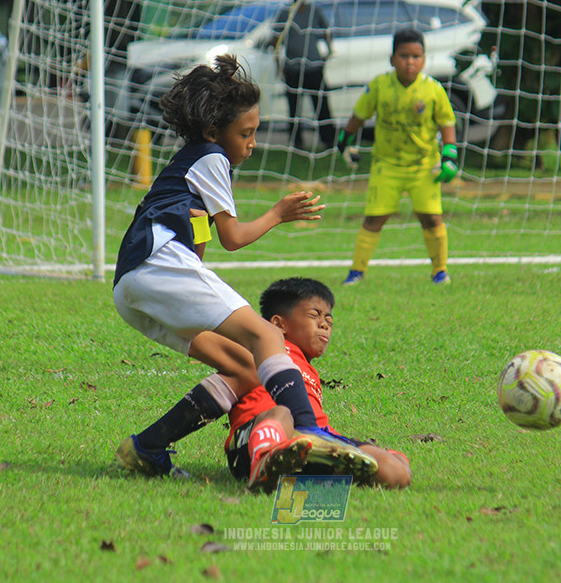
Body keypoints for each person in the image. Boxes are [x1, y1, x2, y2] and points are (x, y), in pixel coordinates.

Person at [112, 55, 365, 477]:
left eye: (255, 132)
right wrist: (278, 213)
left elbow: (201, 237)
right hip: (158, 265)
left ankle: (147, 447)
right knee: (266, 334)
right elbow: (234, 238)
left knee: (245, 366)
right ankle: (308, 431)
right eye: (245, 133)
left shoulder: (189, 162)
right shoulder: (212, 157)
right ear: (214, 132)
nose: (251, 143)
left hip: (131, 286)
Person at [224, 277, 412, 492]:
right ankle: (266, 462)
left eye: (329, 320)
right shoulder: (259, 350)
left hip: (315, 441)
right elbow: (216, 389)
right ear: (278, 324)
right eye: (314, 315)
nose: (324, 324)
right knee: (281, 414)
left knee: (395, 473)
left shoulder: (309, 369)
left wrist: (382, 453)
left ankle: (306, 475)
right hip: (251, 442)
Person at [336, 28, 458, 286]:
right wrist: (345, 139)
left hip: (423, 166)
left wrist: (450, 155)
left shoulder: (433, 90)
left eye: (416, 56)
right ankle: (356, 272)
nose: (410, 62)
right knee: (374, 218)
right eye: (404, 56)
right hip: (386, 165)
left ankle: (440, 271)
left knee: (431, 217)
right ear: (393, 59)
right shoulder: (380, 85)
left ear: (424, 59)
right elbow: (360, 115)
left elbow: (447, 123)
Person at [273, 0, 335, 150]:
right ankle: (296, 142)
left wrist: (328, 52)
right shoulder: (285, 14)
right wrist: (279, 65)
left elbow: (327, 31)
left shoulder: (314, 11)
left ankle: (329, 141)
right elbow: (275, 40)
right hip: (293, 69)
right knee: (294, 108)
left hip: (314, 67)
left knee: (322, 106)